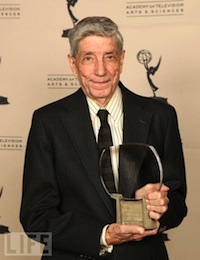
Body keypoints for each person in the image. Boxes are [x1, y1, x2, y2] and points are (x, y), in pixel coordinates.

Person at [20, 16, 187, 259]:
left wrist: (161, 209)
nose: (100, 70)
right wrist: (104, 235)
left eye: (109, 57)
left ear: (121, 59)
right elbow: (36, 215)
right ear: (73, 63)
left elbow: (178, 203)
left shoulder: (160, 116)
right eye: (89, 58)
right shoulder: (48, 122)